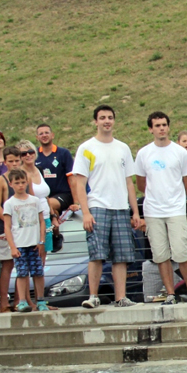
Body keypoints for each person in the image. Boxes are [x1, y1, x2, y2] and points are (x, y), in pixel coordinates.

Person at [71, 105, 142, 308]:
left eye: (110, 117)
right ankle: (93, 296)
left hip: (120, 208)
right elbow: (80, 183)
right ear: (96, 121)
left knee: (121, 256)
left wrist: (134, 211)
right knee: (97, 254)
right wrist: (85, 212)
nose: (106, 121)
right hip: (98, 207)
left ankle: (121, 297)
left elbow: (130, 181)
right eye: (102, 118)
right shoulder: (86, 148)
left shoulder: (123, 148)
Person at [134, 112, 187, 304]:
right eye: (157, 125)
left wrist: (175, 197)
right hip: (153, 211)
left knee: (181, 251)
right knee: (160, 254)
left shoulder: (179, 152)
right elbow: (141, 184)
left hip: (175, 210)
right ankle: (170, 293)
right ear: (151, 129)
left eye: (164, 124)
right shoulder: (143, 153)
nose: (161, 128)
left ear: (169, 127)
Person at [2, 169, 47, 312]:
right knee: (22, 273)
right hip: (20, 244)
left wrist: (41, 241)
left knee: (38, 272)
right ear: (11, 184)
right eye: (17, 183)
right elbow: (7, 226)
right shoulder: (9, 203)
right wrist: (12, 247)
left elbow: (41, 222)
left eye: (23, 182)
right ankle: (22, 301)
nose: (21, 185)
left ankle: (40, 300)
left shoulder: (35, 201)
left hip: (34, 244)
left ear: (27, 182)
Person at [0, 149, 24, 312]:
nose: (14, 164)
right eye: (11, 161)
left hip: (23, 228)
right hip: (6, 227)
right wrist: (9, 220)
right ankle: (4, 302)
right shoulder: (0, 180)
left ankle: (20, 300)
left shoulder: (23, 179)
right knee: (7, 265)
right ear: (5, 162)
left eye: (16, 161)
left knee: (22, 264)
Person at [17, 140, 52, 257]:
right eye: (23, 153)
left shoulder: (40, 169)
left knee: (43, 257)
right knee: (35, 257)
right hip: (34, 220)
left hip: (47, 217)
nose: (28, 155)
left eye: (30, 151)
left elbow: (46, 196)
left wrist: (54, 215)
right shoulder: (21, 174)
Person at [34, 124, 76, 223]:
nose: (44, 135)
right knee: (51, 210)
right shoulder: (34, 154)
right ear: (37, 137)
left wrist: (77, 202)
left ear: (52, 135)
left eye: (46, 133)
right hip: (42, 196)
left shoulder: (63, 153)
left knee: (46, 205)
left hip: (63, 194)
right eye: (41, 133)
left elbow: (73, 179)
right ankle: (55, 234)